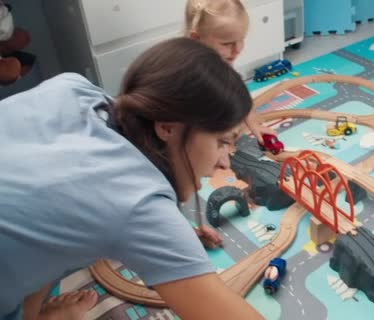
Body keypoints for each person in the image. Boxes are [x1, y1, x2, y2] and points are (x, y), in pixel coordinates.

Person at [0, 38, 263, 320]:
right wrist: (165, 234)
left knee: (48, 225)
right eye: (221, 141)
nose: (222, 160)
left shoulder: (74, 87)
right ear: (166, 127)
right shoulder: (137, 204)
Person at [184, 0, 276, 143]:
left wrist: (253, 123)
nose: (238, 49)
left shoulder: (221, 58)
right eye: (227, 43)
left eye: (241, 39)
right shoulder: (191, 71)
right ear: (197, 39)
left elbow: (237, 89)